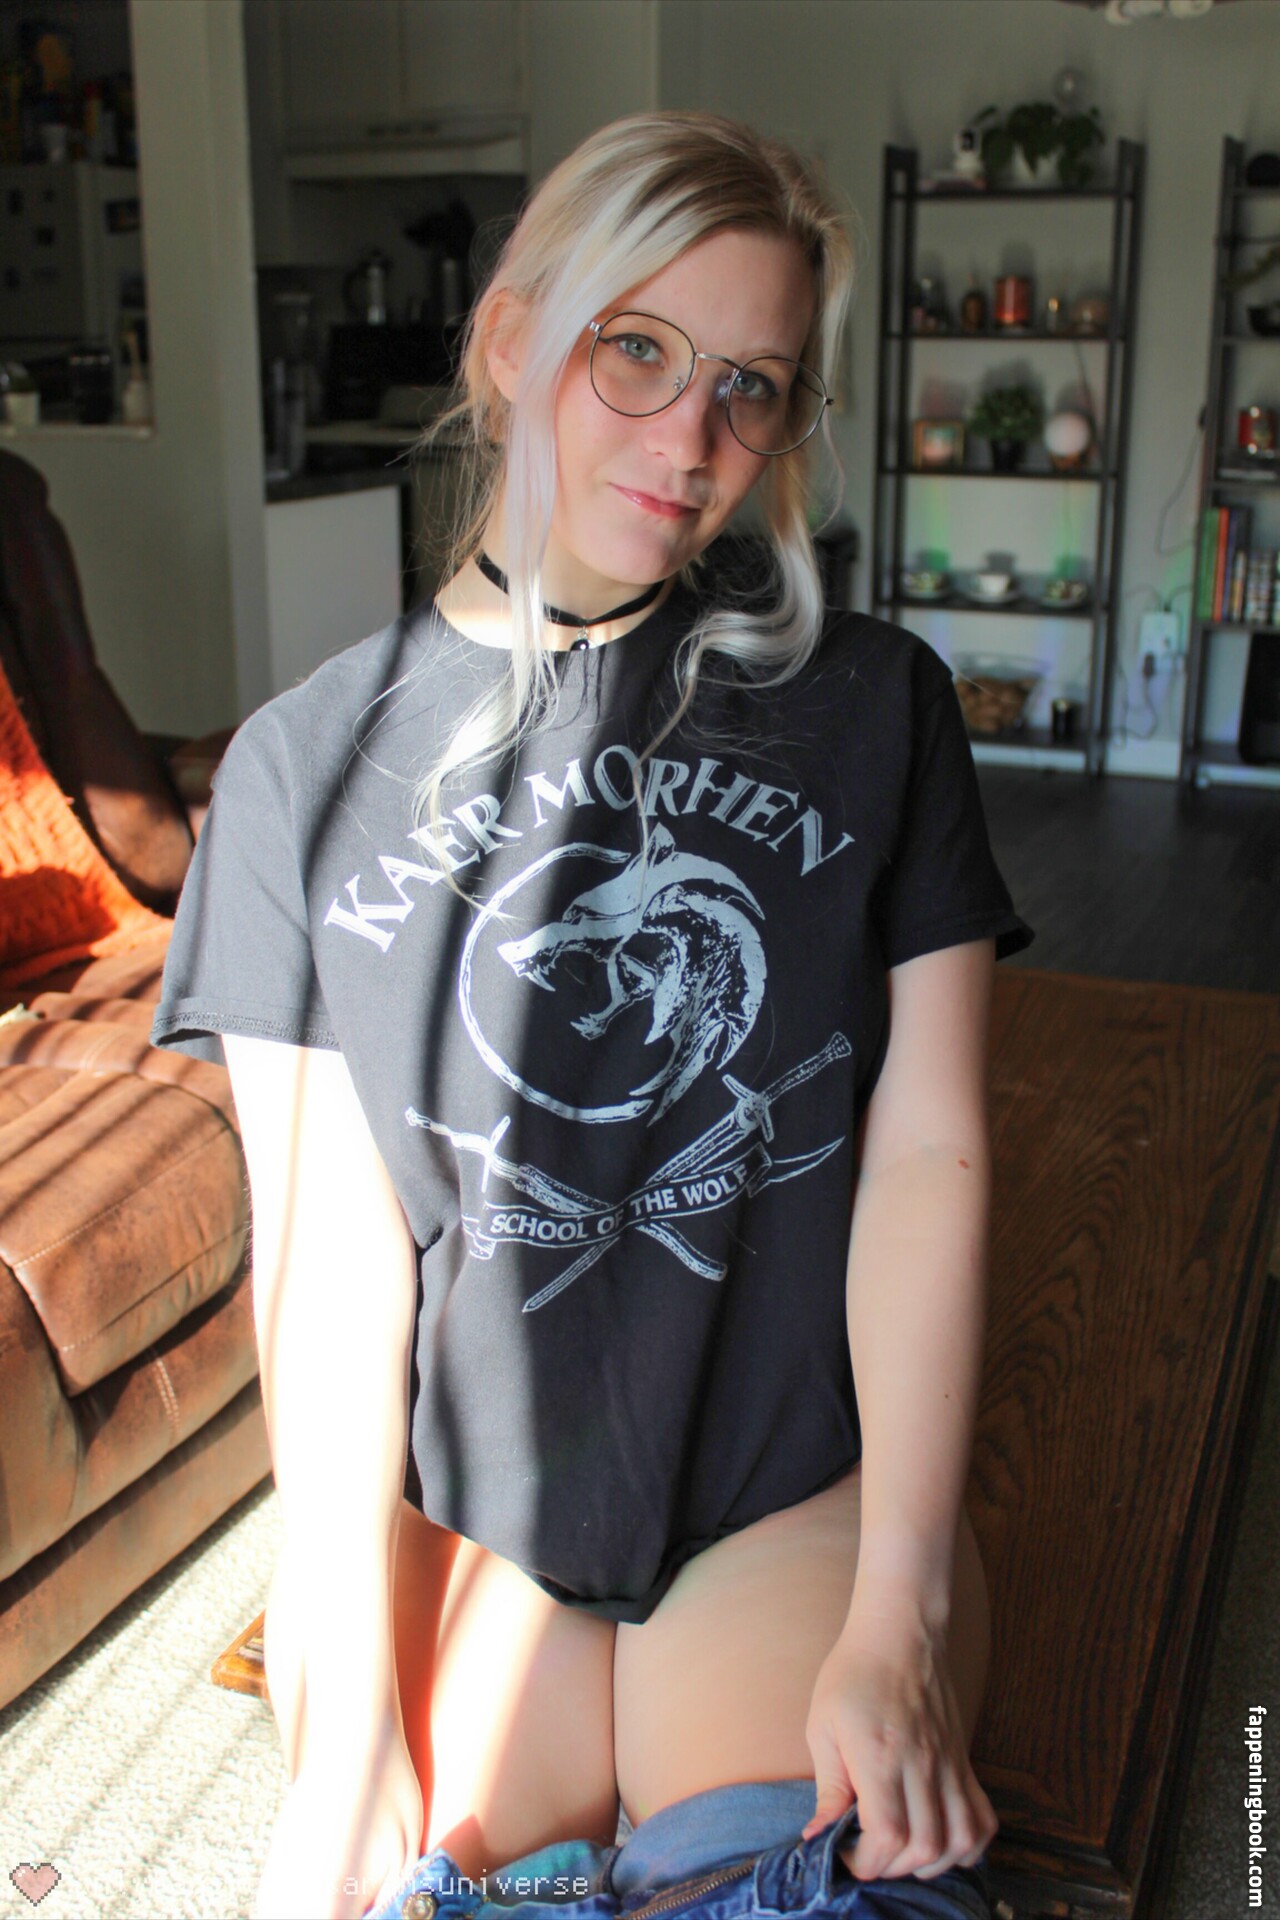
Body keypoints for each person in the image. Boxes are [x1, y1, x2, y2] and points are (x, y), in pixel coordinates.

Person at [151, 111, 1034, 1920]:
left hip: (783, 1482)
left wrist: (906, 1603)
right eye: (637, 350)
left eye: (749, 386)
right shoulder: (298, 771)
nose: (690, 438)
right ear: (510, 339)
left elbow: (930, 1152)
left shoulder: (879, 706)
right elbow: (330, 1269)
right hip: (474, 1516)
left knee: (818, 1884)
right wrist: (343, 1740)